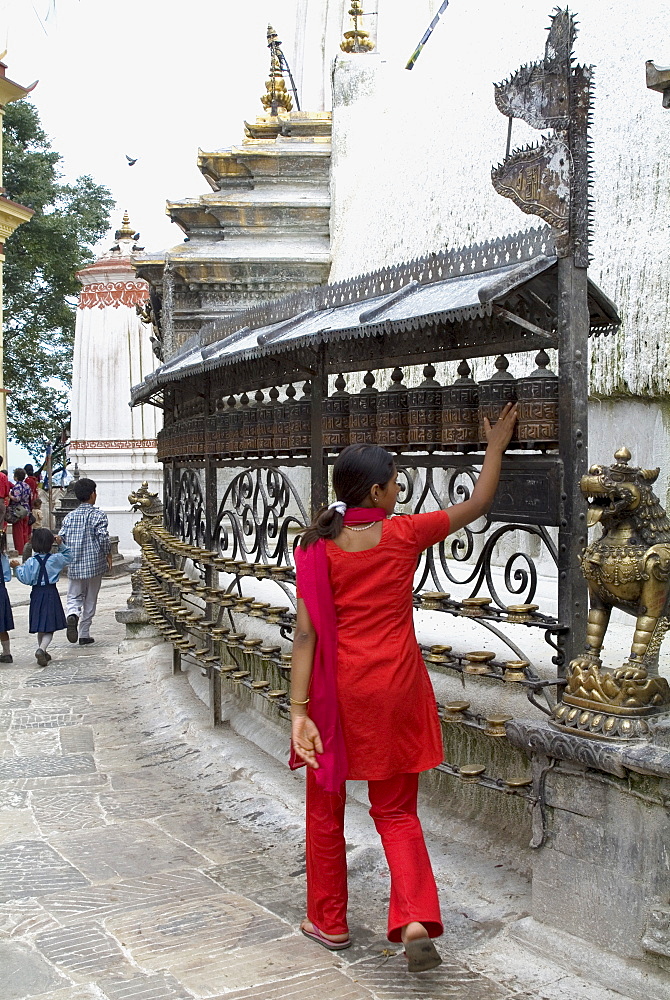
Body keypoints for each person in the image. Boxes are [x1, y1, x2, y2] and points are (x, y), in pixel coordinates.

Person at [290, 402, 518, 973]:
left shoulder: (316, 549)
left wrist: (299, 712)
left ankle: (329, 921)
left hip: (335, 697)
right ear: (374, 492)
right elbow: (480, 504)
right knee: (395, 812)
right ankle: (413, 916)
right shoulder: (404, 534)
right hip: (394, 687)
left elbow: (304, 637)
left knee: (325, 807)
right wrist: (495, 447)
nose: (400, 491)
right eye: (395, 484)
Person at [59, 478, 111, 646]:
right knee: (90, 597)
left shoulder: (69, 517)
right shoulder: (98, 515)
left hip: (74, 563)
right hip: (94, 563)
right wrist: (107, 554)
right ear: (91, 495)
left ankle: (72, 614)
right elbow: (103, 537)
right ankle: (84, 632)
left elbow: (61, 539)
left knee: (73, 595)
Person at [14, 527, 71, 667]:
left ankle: (43, 651)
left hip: (37, 594)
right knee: (49, 626)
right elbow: (69, 556)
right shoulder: (55, 559)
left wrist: (16, 568)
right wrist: (61, 544)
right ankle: (42, 649)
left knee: (41, 625)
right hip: (51, 593)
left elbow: (25, 578)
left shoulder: (31, 562)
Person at [9, 468, 32, 555]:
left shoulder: (17, 486)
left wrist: (10, 495)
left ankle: (20, 550)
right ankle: (26, 549)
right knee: (25, 531)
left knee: (18, 531)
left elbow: (17, 498)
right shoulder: (27, 486)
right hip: (26, 509)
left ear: (16, 477)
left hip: (18, 510)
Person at [0, 532, 15, 663]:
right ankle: (7, 653)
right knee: (2, 625)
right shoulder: (3, 557)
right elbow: (7, 577)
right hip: (1, 593)